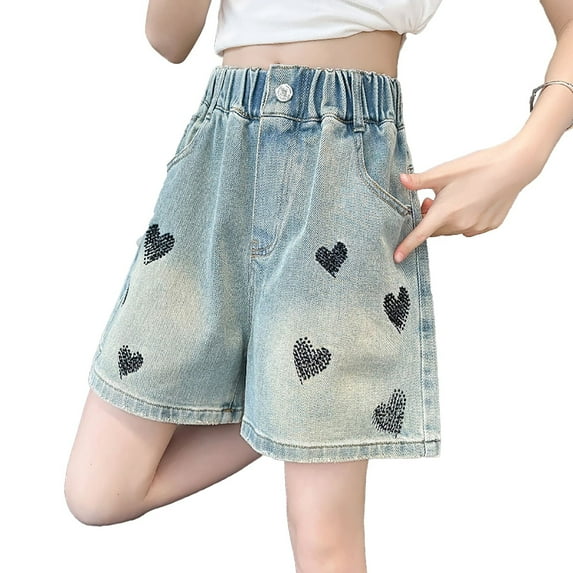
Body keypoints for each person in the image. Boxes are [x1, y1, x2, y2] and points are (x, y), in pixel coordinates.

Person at [64, 1, 573, 571]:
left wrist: (524, 156)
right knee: (99, 491)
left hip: (343, 167)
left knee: (322, 537)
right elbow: (168, 39)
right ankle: (287, 402)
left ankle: (302, 408)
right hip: (216, 156)